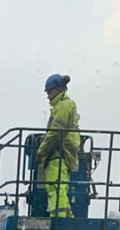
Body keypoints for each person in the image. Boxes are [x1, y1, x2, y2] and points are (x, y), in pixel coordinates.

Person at [36, 74, 80, 218]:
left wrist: (41, 151)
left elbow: (56, 132)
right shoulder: (62, 106)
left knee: (55, 188)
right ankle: (67, 220)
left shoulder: (63, 106)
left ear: (59, 89)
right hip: (61, 154)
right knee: (59, 189)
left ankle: (58, 220)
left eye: (49, 92)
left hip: (58, 154)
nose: (48, 96)